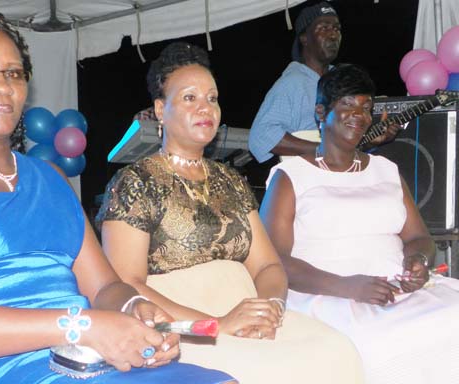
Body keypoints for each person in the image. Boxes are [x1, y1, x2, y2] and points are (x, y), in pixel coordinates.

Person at [0, 8, 235, 384]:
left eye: (14, 73)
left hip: (80, 355)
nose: (2, 85)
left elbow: (105, 286)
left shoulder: (51, 177)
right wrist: (82, 325)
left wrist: (137, 310)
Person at [97, 42, 365, 384]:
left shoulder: (230, 180)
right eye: (190, 98)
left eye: (212, 97)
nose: (205, 107)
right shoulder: (137, 181)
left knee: (338, 351)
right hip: (183, 328)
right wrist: (218, 323)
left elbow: (268, 265)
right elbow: (126, 284)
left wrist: (270, 310)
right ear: (161, 110)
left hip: (247, 318)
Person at [260, 63, 459, 384]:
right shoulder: (291, 176)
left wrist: (419, 262)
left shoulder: (386, 169)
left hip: (396, 290)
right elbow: (274, 261)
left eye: (366, 107)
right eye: (348, 104)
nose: (360, 114)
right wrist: (349, 286)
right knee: (385, 345)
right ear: (321, 112)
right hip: (330, 294)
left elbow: (419, 237)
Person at [248, 2, 398, 163]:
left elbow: (349, 147)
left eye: (336, 28)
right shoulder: (293, 82)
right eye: (324, 28)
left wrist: (369, 142)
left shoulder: (343, 80)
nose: (333, 35)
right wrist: (324, 149)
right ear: (304, 38)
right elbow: (261, 136)